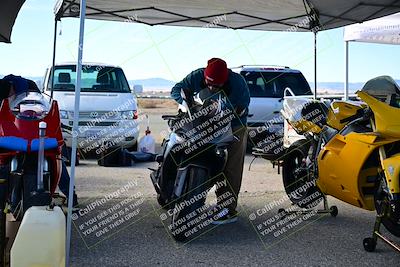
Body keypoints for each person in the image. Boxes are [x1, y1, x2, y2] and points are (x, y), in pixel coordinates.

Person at [171, 58, 250, 224]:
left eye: (217, 86)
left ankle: (227, 209)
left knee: (230, 166)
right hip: (200, 122)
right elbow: (176, 90)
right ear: (205, 77)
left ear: (225, 79)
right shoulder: (197, 76)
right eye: (209, 84)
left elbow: (243, 104)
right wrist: (187, 101)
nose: (213, 88)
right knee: (192, 154)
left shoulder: (237, 82)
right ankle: (184, 196)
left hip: (233, 124)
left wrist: (222, 107)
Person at [0, 75, 78, 207]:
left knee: (56, 157)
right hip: (17, 134)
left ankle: (71, 196)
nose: (10, 97)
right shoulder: (6, 92)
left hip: (37, 132)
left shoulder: (31, 90)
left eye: (10, 94)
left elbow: (43, 114)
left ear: (12, 89)